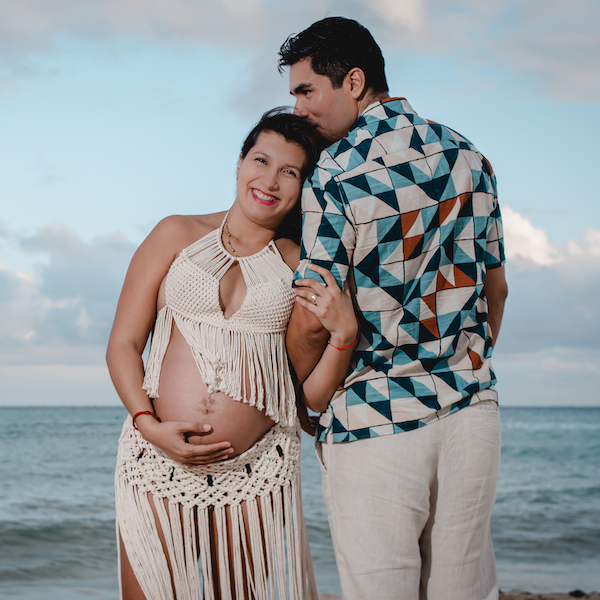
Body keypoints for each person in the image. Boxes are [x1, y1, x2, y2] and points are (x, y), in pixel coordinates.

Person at [278, 17, 509, 600]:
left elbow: (310, 314)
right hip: (470, 411)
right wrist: (460, 364)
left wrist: (309, 397)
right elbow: (496, 289)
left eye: (307, 90)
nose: (299, 107)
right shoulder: (469, 156)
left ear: (354, 81)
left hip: (372, 419)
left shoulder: (334, 173)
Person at [106, 108, 358, 600]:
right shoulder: (174, 234)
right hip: (155, 457)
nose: (270, 180)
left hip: (257, 470)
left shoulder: (298, 265)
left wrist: (344, 335)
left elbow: (308, 395)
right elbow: (124, 344)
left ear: (304, 186)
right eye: (261, 160)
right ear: (240, 163)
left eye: (290, 172)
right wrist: (147, 423)